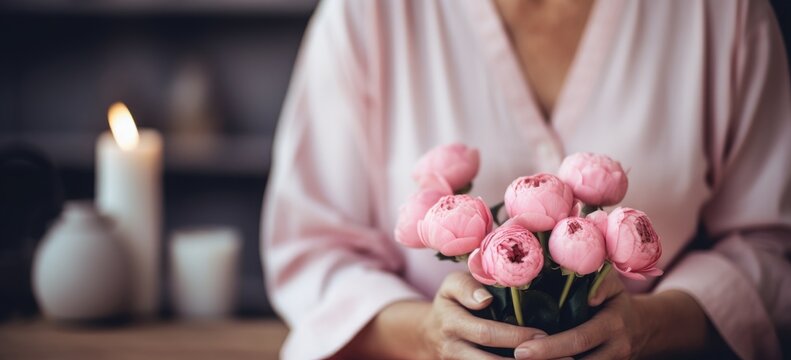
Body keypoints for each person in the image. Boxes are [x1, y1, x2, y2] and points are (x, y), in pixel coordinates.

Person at [262, 0, 791, 358]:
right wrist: (425, 335)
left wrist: (652, 325)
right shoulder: (367, 15)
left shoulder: (723, 14)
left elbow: (769, 245)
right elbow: (315, 251)